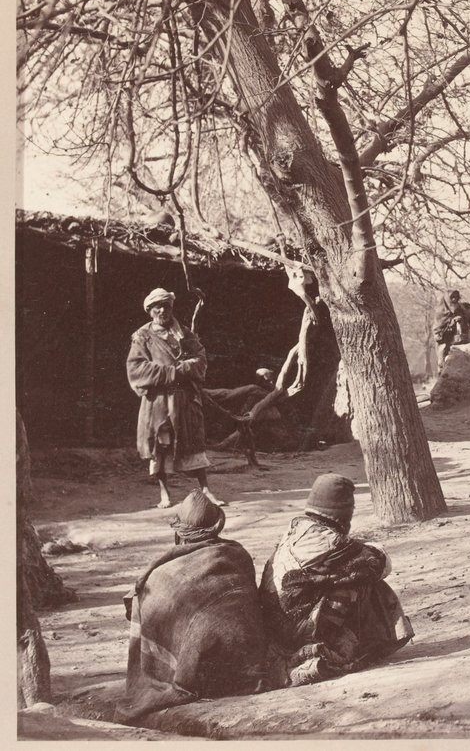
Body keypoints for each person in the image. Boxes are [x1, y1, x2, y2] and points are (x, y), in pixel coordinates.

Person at [116, 490, 281, 723]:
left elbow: (150, 614)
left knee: (143, 600)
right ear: (217, 527)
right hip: (249, 667)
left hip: (200, 678)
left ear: (179, 533)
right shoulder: (238, 554)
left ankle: (163, 672)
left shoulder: (163, 576)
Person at [260, 474, 413, 685]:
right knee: (362, 579)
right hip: (297, 632)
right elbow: (380, 561)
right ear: (344, 512)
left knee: (348, 574)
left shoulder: (295, 530)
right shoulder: (330, 540)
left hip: (276, 630)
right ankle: (365, 643)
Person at [127, 287, 223, 509]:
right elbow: (136, 367)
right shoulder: (142, 336)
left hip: (184, 398)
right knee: (161, 445)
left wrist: (188, 366)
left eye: (166, 306)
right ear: (150, 310)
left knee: (193, 440)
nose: (162, 311)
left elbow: (200, 357)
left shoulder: (184, 333)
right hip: (158, 400)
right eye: (157, 307)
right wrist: (170, 372)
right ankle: (164, 493)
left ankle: (206, 489)